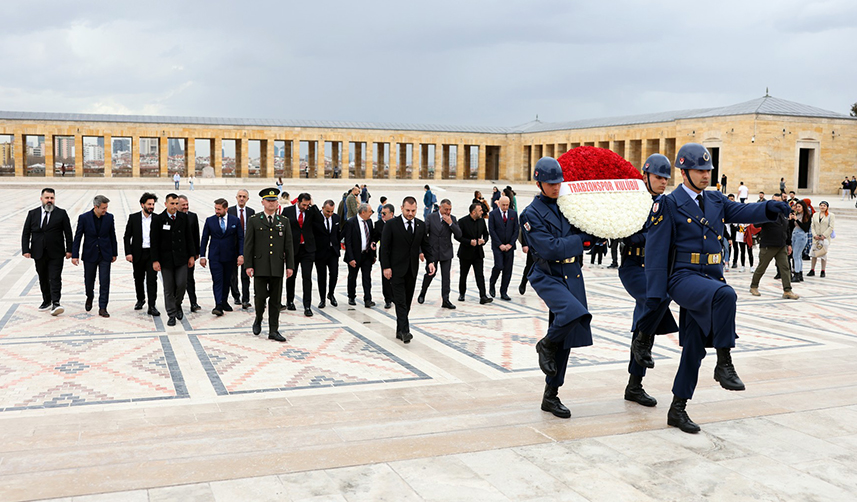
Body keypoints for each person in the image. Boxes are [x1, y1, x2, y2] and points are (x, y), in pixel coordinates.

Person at [645, 143, 791, 433]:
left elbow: (743, 212)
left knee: (694, 348)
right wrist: (655, 295)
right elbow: (656, 252)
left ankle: (677, 409)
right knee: (726, 295)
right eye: (700, 170)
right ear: (684, 171)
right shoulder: (669, 204)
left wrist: (769, 208)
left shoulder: (715, 200)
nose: (705, 175)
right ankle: (724, 362)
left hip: (709, 278)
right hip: (683, 278)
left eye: (708, 170)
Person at [521, 157, 593, 419]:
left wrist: (592, 237)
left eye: (559, 182)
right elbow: (550, 248)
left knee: (568, 336)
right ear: (539, 183)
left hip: (571, 273)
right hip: (548, 274)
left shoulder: (568, 204)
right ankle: (545, 344)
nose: (556, 187)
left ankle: (551, 395)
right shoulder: (530, 214)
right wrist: (580, 241)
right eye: (550, 183)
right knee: (574, 313)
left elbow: (588, 234)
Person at [618, 154, 679, 408]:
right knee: (657, 299)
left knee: (644, 320)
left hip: (655, 268)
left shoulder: (666, 204)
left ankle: (634, 386)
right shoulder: (632, 202)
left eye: (666, 178)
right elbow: (629, 236)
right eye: (658, 177)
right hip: (633, 266)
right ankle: (642, 346)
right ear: (645, 176)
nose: (663, 182)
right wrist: (652, 235)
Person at [380, 196, 435, 343]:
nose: (410, 213)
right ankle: (405, 331)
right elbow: (384, 248)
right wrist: (386, 267)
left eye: (413, 210)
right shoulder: (391, 225)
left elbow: (426, 245)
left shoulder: (420, 225)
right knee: (400, 302)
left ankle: (399, 329)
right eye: (408, 210)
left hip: (412, 270)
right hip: (396, 270)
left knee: (408, 302)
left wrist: (431, 261)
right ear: (401, 208)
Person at [244, 188, 295, 341]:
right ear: (263, 202)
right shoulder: (254, 219)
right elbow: (249, 245)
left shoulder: (283, 221)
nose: (271, 203)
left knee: (275, 300)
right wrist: (248, 265)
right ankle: (258, 317)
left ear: (277, 202)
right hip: (260, 266)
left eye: (274, 200)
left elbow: (289, 245)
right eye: (268, 200)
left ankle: (274, 330)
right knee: (260, 297)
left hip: (277, 266)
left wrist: (290, 266)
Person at [21, 188, 73, 316]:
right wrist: (25, 250)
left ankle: (56, 302)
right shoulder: (32, 213)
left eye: (52, 198)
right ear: (41, 199)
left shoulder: (61, 213)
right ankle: (47, 300)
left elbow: (68, 233)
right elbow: (26, 233)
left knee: (54, 277)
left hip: (56, 252)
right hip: (38, 252)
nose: (49, 201)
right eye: (47, 198)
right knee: (43, 277)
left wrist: (69, 250)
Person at [150, 193, 196, 327]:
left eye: (176, 204)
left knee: (182, 284)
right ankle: (171, 314)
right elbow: (154, 241)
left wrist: (192, 255)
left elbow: (189, 237)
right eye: (172, 203)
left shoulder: (183, 218)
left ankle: (177, 304)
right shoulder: (159, 219)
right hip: (166, 260)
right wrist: (155, 260)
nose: (175, 206)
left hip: (181, 258)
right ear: (165, 204)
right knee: (168, 288)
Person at [71, 195, 118, 317]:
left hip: (105, 254)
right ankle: (89, 296)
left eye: (106, 207)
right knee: (89, 280)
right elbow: (78, 237)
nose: (105, 210)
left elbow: (112, 235)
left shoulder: (109, 217)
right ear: (95, 207)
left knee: (105, 281)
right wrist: (74, 255)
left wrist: (114, 253)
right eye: (103, 208)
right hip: (90, 254)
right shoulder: (84, 218)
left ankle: (103, 307)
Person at [749, 193, 799, 300]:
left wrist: (788, 244)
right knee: (762, 267)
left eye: (778, 201)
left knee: (785, 268)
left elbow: (787, 229)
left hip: (781, 245)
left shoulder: (783, 214)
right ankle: (754, 286)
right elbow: (756, 224)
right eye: (774, 201)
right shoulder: (767, 214)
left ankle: (787, 290)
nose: (776, 204)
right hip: (768, 245)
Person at [199, 198, 244, 316]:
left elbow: (240, 238)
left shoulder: (235, 220)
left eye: (219, 209)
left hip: (230, 256)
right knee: (218, 280)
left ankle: (224, 301)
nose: (217, 211)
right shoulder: (210, 221)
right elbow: (204, 238)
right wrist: (202, 256)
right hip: (215, 257)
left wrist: (241, 254)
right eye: (215, 209)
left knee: (227, 280)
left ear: (226, 209)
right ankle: (218, 304)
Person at [283, 193, 323, 316]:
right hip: (293, 248)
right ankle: (290, 301)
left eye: (307, 205)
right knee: (291, 276)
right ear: (298, 202)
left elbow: (321, 221)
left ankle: (307, 306)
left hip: (307, 249)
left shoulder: (311, 211)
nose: (305, 207)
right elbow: (283, 228)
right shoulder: (287, 210)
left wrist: (314, 205)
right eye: (303, 205)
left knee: (307, 277)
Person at [417, 198, 461, 309]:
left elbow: (459, 235)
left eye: (450, 209)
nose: (448, 212)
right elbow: (423, 235)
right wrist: (421, 251)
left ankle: (445, 299)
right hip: (433, 252)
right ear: (440, 208)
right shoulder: (431, 217)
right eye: (446, 209)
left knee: (446, 277)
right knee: (430, 274)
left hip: (446, 252)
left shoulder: (453, 218)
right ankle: (423, 292)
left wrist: (451, 223)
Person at [124, 193, 160, 316]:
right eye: (149, 204)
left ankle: (152, 305)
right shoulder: (133, 218)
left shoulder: (157, 218)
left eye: (153, 204)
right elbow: (127, 236)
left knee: (152, 280)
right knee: (138, 279)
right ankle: (140, 299)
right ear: (142, 204)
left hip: (152, 254)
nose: (151, 207)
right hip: (138, 253)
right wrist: (128, 252)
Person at [456, 203, 493, 304]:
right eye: (480, 210)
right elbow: (458, 236)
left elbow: (486, 234)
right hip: (465, 253)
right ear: (473, 212)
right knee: (463, 275)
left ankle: (483, 296)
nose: (482, 212)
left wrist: (483, 241)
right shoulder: (462, 221)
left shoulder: (481, 221)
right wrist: (469, 242)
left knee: (480, 275)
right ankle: (462, 293)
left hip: (478, 253)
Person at [344, 203, 376, 308]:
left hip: (366, 255)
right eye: (370, 211)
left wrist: (373, 254)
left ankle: (368, 299)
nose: (371, 213)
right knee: (353, 276)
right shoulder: (351, 222)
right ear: (363, 212)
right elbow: (347, 242)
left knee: (367, 277)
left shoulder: (370, 222)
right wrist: (351, 258)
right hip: (355, 255)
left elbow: (372, 239)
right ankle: (351, 296)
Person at [227, 189, 255, 309]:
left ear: (247, 199)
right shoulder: (230, 211)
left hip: (247, 246)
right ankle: (236, 296)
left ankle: (245, 299)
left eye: (244, 196)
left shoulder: (251, 212)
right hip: (232, 246)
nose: (242, 198)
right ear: (236, 197)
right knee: (233, 275)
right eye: (240, 196)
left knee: (246, 273)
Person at [488, 195, 517, 301]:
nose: (505, 207)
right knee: (499, 266)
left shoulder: (513, 214)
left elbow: (516, 230)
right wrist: (500, 244)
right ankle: (492, 283)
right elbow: (492, 230)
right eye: (503, 205)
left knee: (508, 270)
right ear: (499, 204)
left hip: (509, 246)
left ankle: (503, 291)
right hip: (498, 246)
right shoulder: (493, 214)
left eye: (507, 205)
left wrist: (510, 244)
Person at [315, 199, 341, 308]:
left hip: (333, 251)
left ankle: (331, 294)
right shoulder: (317, 218)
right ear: (323, 208)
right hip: (320, 252)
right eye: (327, 212)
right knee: (322, 276)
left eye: (331, 211)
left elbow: (338, 233)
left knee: (334, 274)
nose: (329, 214)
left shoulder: (336, 218)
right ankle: (322, 299)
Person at [178, 195, 202, 313]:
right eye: (183, 205)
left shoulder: (193, 216)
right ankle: (177, 304)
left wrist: (197, 252)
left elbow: (196, 235)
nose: (186, 207)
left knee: (189, 279)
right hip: (176, 254)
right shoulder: (173, 217)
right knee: (177, 281)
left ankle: (194, 302)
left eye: (187, 205)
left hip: (189, 254)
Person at [375, 204, 396, 309]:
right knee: (386, 278)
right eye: (381, 213)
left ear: (391, 214)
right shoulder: (378, 224)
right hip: (384, 255)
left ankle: (396, 297)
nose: (382, 215)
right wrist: (373, 243)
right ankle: (388, 299)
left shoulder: (398, 223)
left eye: (384, 213)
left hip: (397, 255)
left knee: (397, 277)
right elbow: (374, 237)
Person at [807, 201, 834, 278]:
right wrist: (814, 235)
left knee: (823, 254)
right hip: (816, 238)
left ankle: (823, 270)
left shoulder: (830, 215)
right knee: (814, 254)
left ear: (827, 207)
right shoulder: (815, 215)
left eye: (824, 206)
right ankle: (812, 269)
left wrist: (824, 235)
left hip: (824, 238)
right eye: (821, 205)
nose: (822, 207)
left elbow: (831, 227)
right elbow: (812, 226)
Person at [789, 199, 811, 282]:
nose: (797, 208)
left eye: (799, 207)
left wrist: (796, 220)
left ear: (803, 207)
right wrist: (791, 219)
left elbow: (805, 228)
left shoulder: (807, 216)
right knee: (798, 256)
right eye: (796, 207)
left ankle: (797, 274)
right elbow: (792, 226)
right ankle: (800, 274)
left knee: (796, 256)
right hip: (795, 235)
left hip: (801, 236)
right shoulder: (797, 215)